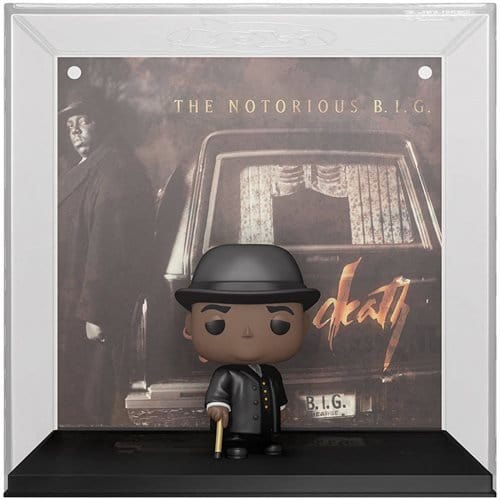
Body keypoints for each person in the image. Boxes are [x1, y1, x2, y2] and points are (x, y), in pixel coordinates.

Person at [58, 97, 154, 426]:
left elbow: (107, 245)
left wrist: (95, 312)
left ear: (103, 122)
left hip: (96, 310)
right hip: (76, 302)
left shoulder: (115, 169)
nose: (75, 130)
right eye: (69, 125)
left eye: (83, 120)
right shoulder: (90, 167)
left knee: (92, 400)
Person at [175, 244, 320, 458]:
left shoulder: (271, 374)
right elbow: (217, 397)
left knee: (270, 442)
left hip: (268, 429)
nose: (247, 333)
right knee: (237, 444)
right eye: (216, 324)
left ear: (303, 324)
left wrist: (281, 412)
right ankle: (238, 445)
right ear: (190, 326)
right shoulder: (225, 375)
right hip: (237, 429)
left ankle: (268, 442)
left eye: (280, 324)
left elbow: (279, 398)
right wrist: (217, 408)